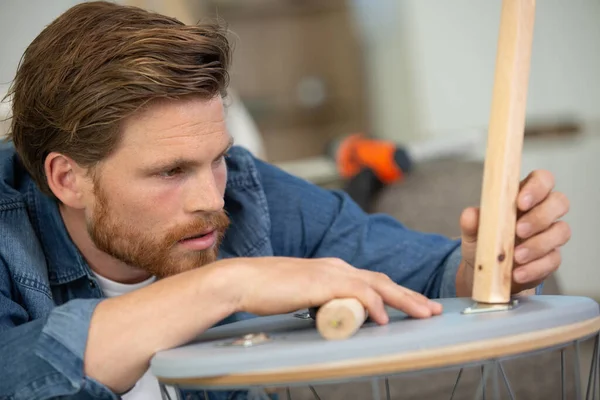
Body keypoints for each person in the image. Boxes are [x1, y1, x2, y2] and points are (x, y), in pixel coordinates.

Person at [0, 2, 571, 400]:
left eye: (215, 158)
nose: (210, 199)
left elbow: (432, 277)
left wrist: (487, 266)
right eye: (170, 171)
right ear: (66, 179)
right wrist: (229, 283)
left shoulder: (251, 193)